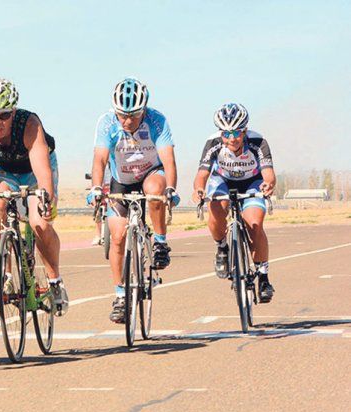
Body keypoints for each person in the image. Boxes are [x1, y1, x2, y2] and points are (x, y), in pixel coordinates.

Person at [0, 78, 68, 314]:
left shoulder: (29, 125)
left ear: (14, 111)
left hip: (36, 169)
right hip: (7, 170)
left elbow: (43, 173)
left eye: (4, 115)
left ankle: (54, 281)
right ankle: (6, 276)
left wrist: (46, 202)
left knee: (39, 223)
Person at [87, 77, 179, 322]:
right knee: (117, 237)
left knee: (155, 191)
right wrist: (96, 188)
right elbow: (99, 159)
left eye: (134, 116)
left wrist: (171, 188)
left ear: (144, 110)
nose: (127, 121)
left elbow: (168, 160)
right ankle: (120, 295)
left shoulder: (157, 121)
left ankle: (160, 242)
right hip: (121, 181)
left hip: (151, 173)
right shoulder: (107, 123)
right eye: (122, 115)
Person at [193, 103, 276, 302]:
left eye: (237, 133)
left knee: (255, 224)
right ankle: (222, 247)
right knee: (215, 209)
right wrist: (199, 189)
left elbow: (268, 174)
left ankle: (263, 276)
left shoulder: (258, 141)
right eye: (226, 133)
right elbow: (202, 174)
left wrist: (269, 184)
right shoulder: (213, 143)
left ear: (245, 130)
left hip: (252, 182)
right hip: (222, 181)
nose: (232, 138)